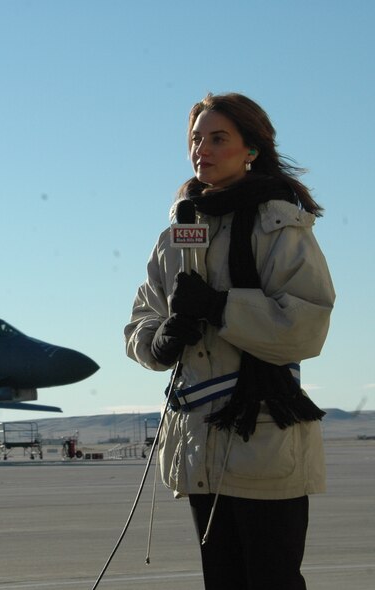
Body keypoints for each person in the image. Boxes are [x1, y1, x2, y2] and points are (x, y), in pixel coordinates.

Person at [124, 92, 334, 590]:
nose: (203, 149)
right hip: (199, 449)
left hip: (263, 442)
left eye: (219, 138)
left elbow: (306, 326)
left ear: (251, 150)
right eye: (196, 139)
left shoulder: (281, 226)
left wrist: (221, 307)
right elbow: (139, 323)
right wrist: (163, 339)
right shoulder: (175, 233)